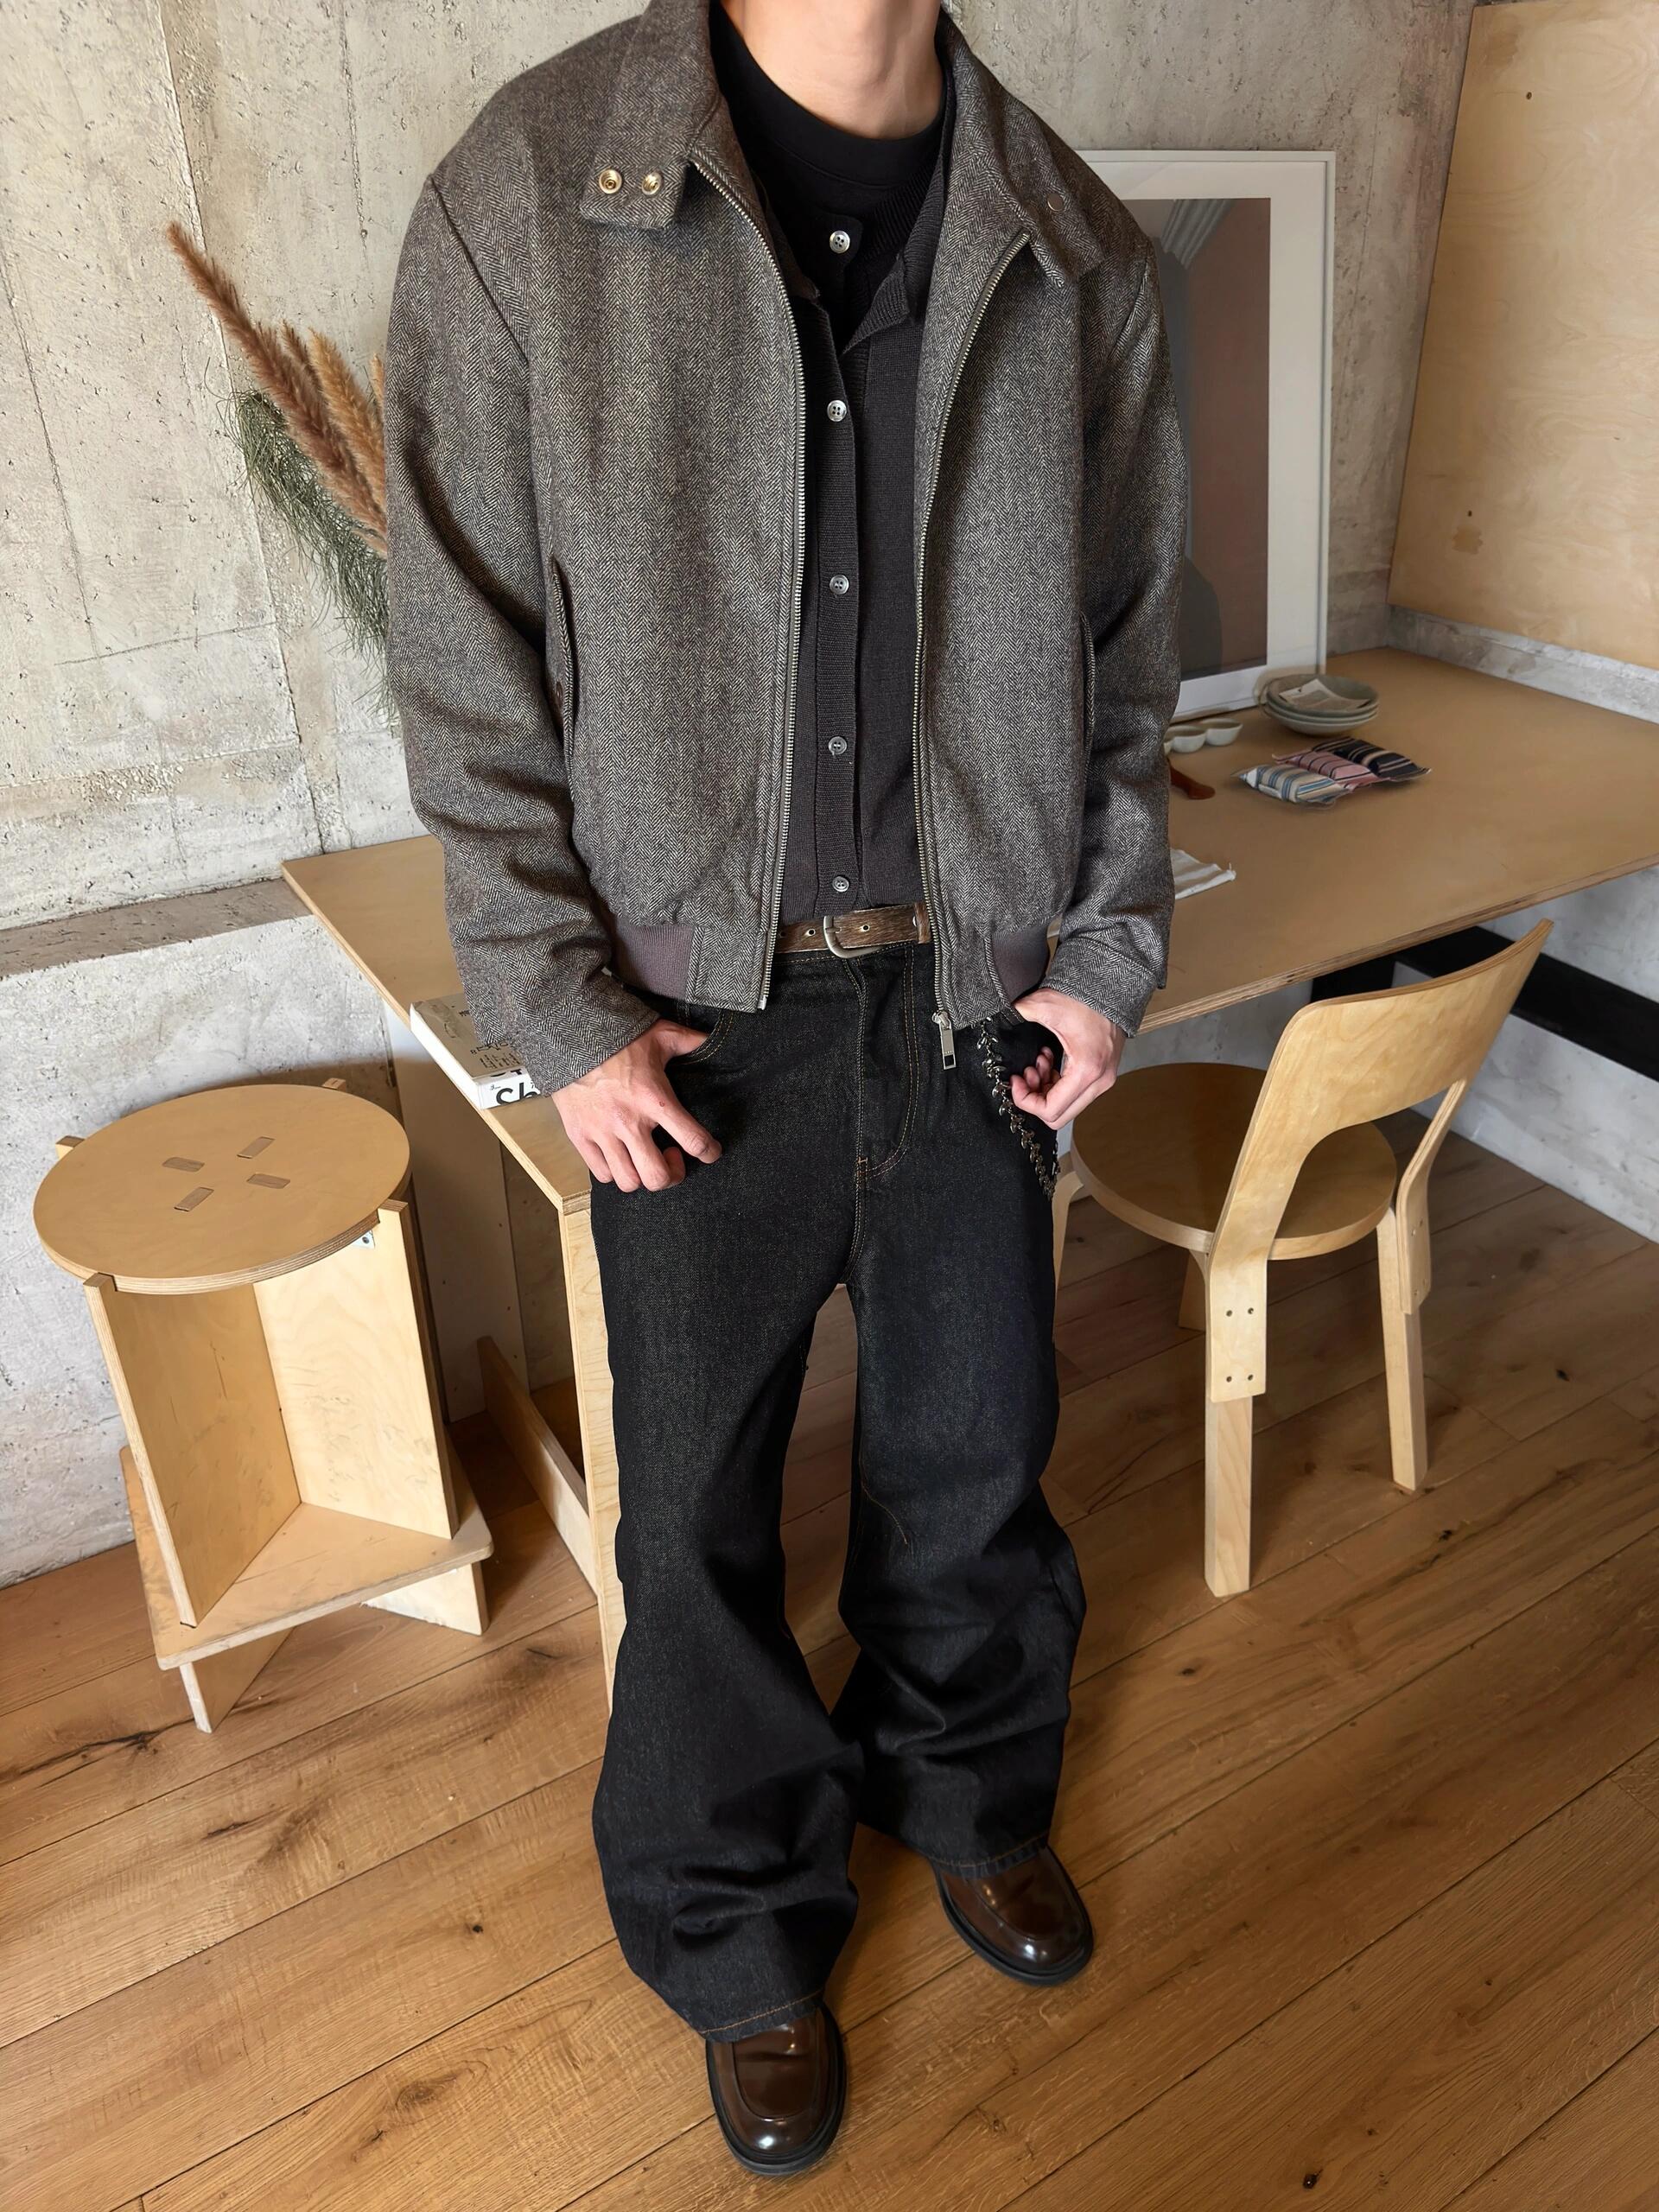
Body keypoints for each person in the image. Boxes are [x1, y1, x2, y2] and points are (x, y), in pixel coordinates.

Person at [385, 0, 1184, 2176]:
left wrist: (1105, 952)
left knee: (976, 1447)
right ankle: (738, 1918)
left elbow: (1127, 647)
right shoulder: (531, 193)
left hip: (976, 1000)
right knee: (694, 1506)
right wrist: (555, 1007)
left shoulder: (1072, 242)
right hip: (686, 1021)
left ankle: (965, 1783)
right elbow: (460, 650)